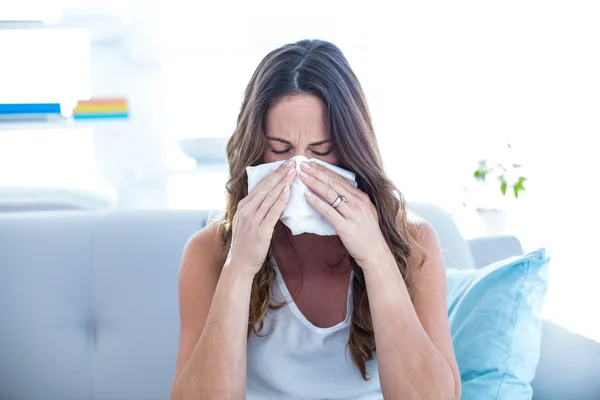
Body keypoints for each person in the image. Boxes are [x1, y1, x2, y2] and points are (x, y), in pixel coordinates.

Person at [170, 39, 461, 400]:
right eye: (280, 149)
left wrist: (377, 259)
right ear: (256, 148)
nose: (299, 168)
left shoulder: (415, 242)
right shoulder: (207, 252)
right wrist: (239, 267)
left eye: (320, 152)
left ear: (351, 149)